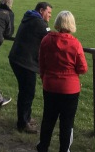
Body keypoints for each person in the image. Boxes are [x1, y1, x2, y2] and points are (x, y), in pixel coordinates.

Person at [37, 11, 88, 152]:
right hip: (69, 89)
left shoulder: (46, 40)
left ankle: (43, 147)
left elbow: (41, 63)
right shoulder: (75, 44)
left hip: (50, 85)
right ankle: (64, 149)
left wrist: (44, 78)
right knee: (67, 122)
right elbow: (83, 68)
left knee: (48, 119)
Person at [8, 2, 52, 133]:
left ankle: (26, 117)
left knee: (26, 91)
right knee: (27, 92)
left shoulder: (30, 18)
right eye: (48, 13)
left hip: (18, 59)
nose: (50, 16)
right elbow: (49, 37)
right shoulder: (38, 23)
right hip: (24, 62)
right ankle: (23, 123)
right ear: (41, 10)